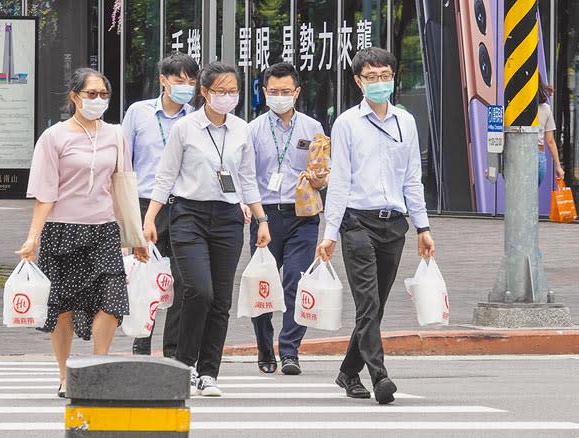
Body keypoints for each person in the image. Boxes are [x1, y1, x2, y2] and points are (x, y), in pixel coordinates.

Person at [16, 68, 149, 398]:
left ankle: (97, 370)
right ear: (74, 97)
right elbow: (45, 193)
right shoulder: (55, 137)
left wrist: (136, 237)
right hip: (62, 232)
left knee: (112, 300)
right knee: (61, 307)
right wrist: (33, 238)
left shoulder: (116, 135)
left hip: (104, 231)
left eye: (104, 95)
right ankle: (65, 375)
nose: (99, 100)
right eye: (92, 94)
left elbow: (123, 186)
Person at [143, 62, 271, 397]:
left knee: (220, 300)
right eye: (220, 91)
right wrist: (148, 219)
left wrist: (262, 219)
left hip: (229, 218)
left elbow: (247, 179)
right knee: (199, 290)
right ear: (204, 92)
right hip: (188, 215)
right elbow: (165, 176)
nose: (227, 97)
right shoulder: (185, 128)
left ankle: (208, 372)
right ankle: (184, 364)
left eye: (233, 91)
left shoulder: (242, 130)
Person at [315, 48, 435, 404]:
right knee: (367, 302)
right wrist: (329, 233)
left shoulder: (405, 122)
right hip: (356, 222)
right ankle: (379, 376)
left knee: (377, 305)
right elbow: (339, 182)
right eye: (371, 77)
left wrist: (422, 227)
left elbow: (413, 178)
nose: (380, 82)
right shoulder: (347, 123)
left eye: (385, 75)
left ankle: (348, 372)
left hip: (393, 225)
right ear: (358, 81)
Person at [245, 62, 326, 375]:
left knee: (296, 280)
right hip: (264, 217)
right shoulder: (252, 130)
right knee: (262, 285)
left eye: (286, 91)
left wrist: (321, 178)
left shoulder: (312, 128)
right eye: (274, 91)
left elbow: (322, 170)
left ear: (297, 92)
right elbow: (246, 175)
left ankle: (290, 350)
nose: (280, 96)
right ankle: (265, 348)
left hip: (302, 216)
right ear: (265, 92)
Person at [122, 52, 199, 357]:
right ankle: (143, 338)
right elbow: (123, 164)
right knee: (148, 276)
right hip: (143, 206)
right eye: (180, 80)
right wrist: (125, 218)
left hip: (182, 206)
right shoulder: (139, 113)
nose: (186, 86)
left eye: (191, 81)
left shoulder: (195, 119)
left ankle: (173, 348)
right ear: (163, 81)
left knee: (183, 280)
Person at [537, 80, 564, 186]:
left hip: (516, 155)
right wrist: (558, 166)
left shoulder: (513, 106)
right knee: (530, 197)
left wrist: (494, 164)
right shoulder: (545, 108)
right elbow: (550, 141)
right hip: (538, 156)